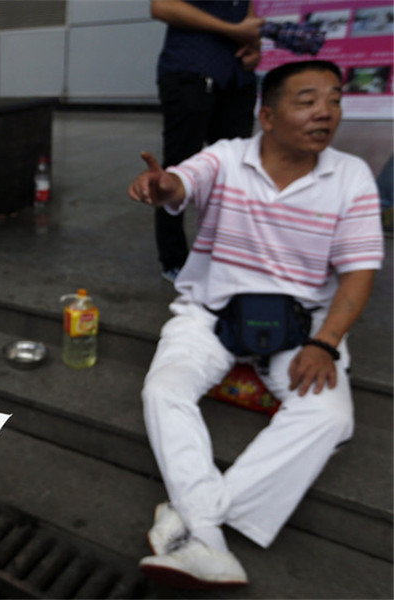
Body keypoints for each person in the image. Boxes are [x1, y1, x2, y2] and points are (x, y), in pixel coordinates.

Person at [127, 60, 383, 588]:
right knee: (164, 390)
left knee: (330, 417)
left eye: (334, 100)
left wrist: (325, 343)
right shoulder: (227, 157)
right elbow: (183, 184)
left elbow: (358, 275)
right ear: (266, 115)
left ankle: (195, 519)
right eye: (308, 100)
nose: (326, 113)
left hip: (301, 323)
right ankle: (209, 536)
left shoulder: (351, 176)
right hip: (211, 313)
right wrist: (165, 187)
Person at [150, 0, 264, 282]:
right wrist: (231, 30)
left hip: (237, 78)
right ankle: (174, 259)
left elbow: (247, 16)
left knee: (236, 171)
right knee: (178, 169)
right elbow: (161, 6)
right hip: (190, 70)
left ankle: (226, 255)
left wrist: (254, 47)